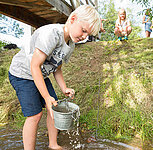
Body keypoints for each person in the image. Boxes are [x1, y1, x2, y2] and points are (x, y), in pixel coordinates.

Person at [8, 5, 101, 150]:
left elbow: (57, 67)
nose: (84, 37)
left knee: (54, 108)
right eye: (83, 30)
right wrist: (46, 97)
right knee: (35, 115)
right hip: (22, 73)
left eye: (88, 34)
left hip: (40, 74)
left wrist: (64, 88)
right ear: (73, 19)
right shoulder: (51, 34)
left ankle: (53, 144)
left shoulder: (70, 44)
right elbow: (34, 66)